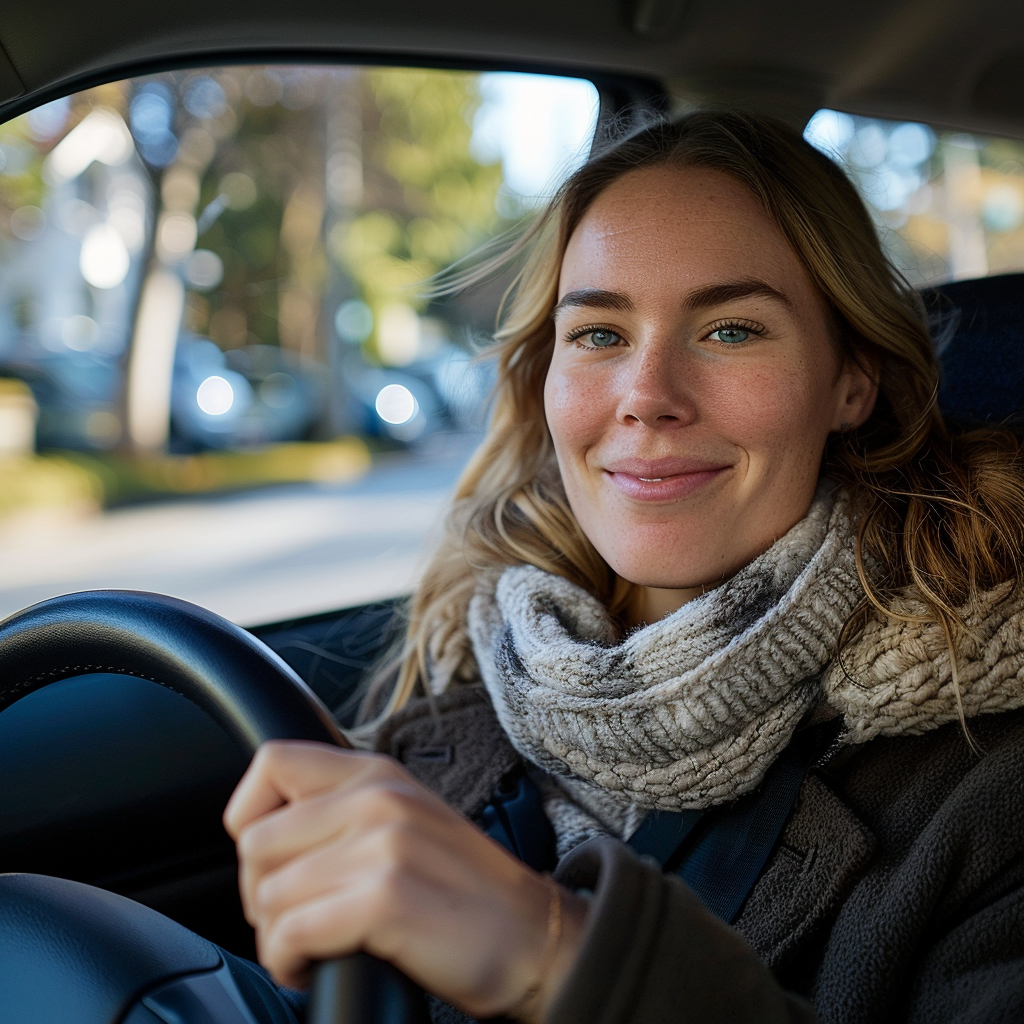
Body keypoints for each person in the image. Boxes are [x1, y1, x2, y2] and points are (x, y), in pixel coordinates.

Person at [223, 112, 1024, 1024]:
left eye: (730, 330)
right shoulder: (457, 665)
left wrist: (559, 955)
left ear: (851, 380)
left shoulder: (990, 784)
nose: (647, 397)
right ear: (547, 374)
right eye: (599, 334)